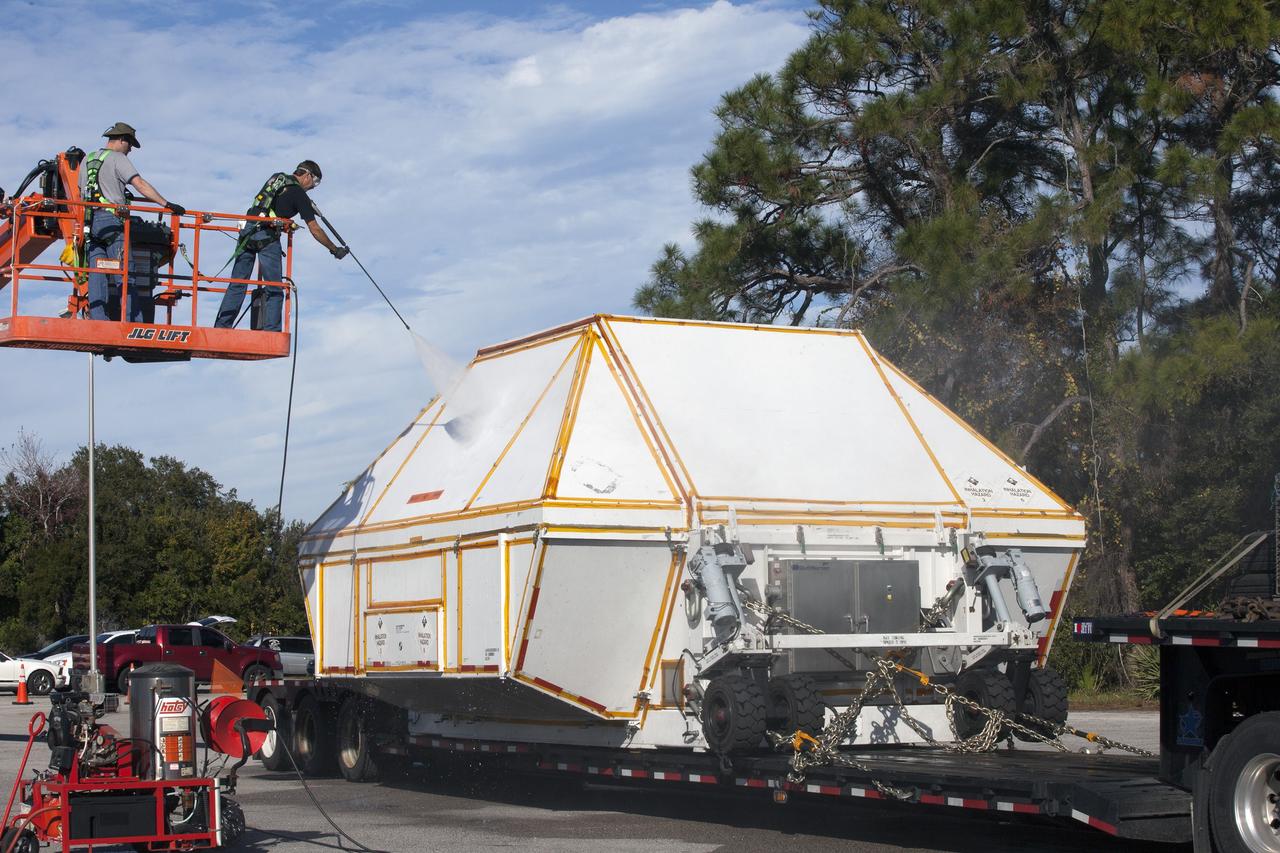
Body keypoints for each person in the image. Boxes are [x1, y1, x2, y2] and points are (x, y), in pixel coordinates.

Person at [214, 160, 348, 332]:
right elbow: (315, 229)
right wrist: (334, 249)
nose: (313, 187)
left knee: (237, 283)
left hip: (247, 231)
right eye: (314, 183)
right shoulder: (299, 194)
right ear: (307, 175)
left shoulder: (277, 178)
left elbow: (274, 204)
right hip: (267, 237)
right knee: (274, 287)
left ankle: (221, 327)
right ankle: (271, 331)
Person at [79, 122, 185, 321]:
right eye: (130, 146)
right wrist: (166, 204)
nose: (130, 151)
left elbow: (80, 193)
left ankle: (98, 320)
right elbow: (140, 184)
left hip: (89, 223)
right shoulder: (118, 158)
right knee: (126, 272)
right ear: (122, 140)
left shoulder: (87, 159)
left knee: (97, 273)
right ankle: (132, 322)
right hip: (112, 221)